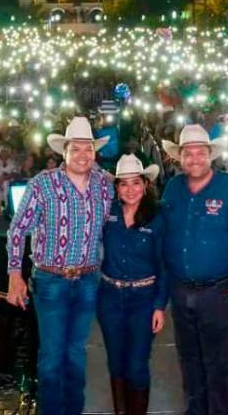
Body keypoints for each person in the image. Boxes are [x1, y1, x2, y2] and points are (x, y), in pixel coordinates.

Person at [5, 116, 113, 415]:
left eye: (88, 148)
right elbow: (17, 230)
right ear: (63, 151)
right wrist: (15, 275)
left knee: (76, 353)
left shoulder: (104, 185)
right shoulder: (43, 184)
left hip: (88, 280)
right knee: (52, 356)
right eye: (75, 148)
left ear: (95, 151)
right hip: (51, 281)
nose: (82, 155)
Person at [160, 124, 228, 415]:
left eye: (200, 153)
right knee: (189, 361)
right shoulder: (173, 188)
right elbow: (164, 232)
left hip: (222, 292)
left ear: (211, 155)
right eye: (188, 153)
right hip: (181, 291)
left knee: (219, 366)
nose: (194, 159)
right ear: (179, 157)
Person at [98, 154, 165, 415]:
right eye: (123, 183)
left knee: (137, 364)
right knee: (116, 363)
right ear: (116, 187)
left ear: (145, 185)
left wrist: (160, 305)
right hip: (110, 298)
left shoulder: (157, 217)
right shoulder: (108, 213)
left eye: (136, 182)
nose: (130, 189)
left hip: (144, 300)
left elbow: (164, 265)